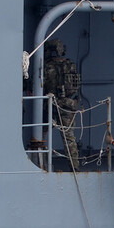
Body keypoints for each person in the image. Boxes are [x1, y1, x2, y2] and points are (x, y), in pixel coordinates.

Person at [42, 39, 81, 170]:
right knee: (69, 138)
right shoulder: (70, 64)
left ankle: (41, 164)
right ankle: (75, 168)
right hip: (68, 104)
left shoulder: (47, 66)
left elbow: (40, 84)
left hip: (50, 104)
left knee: (40, 135)